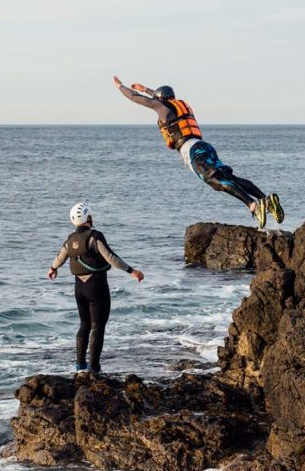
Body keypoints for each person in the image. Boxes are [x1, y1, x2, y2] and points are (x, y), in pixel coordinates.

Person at [114, 76, 283, 228]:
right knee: (230, 177)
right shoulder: (179, 105)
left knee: (215, 182)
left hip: (191, 150)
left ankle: (253, 206)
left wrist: (120, 86)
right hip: (204, 146)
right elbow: (159, 97)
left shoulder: (162, 107)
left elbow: (134, 98)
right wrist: (146, 89)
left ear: (160, 99)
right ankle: (265, 200)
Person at [48, 203, 144, 376]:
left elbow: (59, 258)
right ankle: (94, 369)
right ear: (88, 218)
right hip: (96, 286)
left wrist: (52, 269)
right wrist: (132, 271)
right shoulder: (95, 236)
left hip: (79, 288)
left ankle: (80, 367)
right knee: (97, 327)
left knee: (84, 325)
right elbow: (111, 258)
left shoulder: (70, 240)